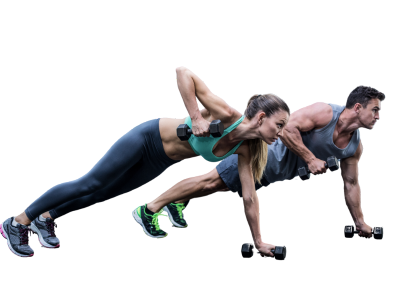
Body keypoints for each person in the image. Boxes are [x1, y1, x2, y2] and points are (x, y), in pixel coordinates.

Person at [0, 65, 291, 258]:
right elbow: (182, 72)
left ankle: (46, 218)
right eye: (279, 125)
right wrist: (197, 116)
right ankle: (17, 222)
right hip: (147, 137)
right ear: (262, 117)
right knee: (91, 182)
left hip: (160, 160)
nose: (280, 133)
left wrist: (258, 241)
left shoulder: (247, 149)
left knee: (105, 193)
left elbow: (250, 197)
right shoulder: (226, 114)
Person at [142, 84, 385, 258]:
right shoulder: (324, 112)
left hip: (275, 175)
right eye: (375, 110)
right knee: (211, 181)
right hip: (264, 156)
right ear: (356, 107)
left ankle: (175, 203)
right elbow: (287, 128)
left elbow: (352, 184)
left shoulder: (355, 146)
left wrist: (360, 222)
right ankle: (151, 207)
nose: (378, 116)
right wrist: (310, 159)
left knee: (220, 186)